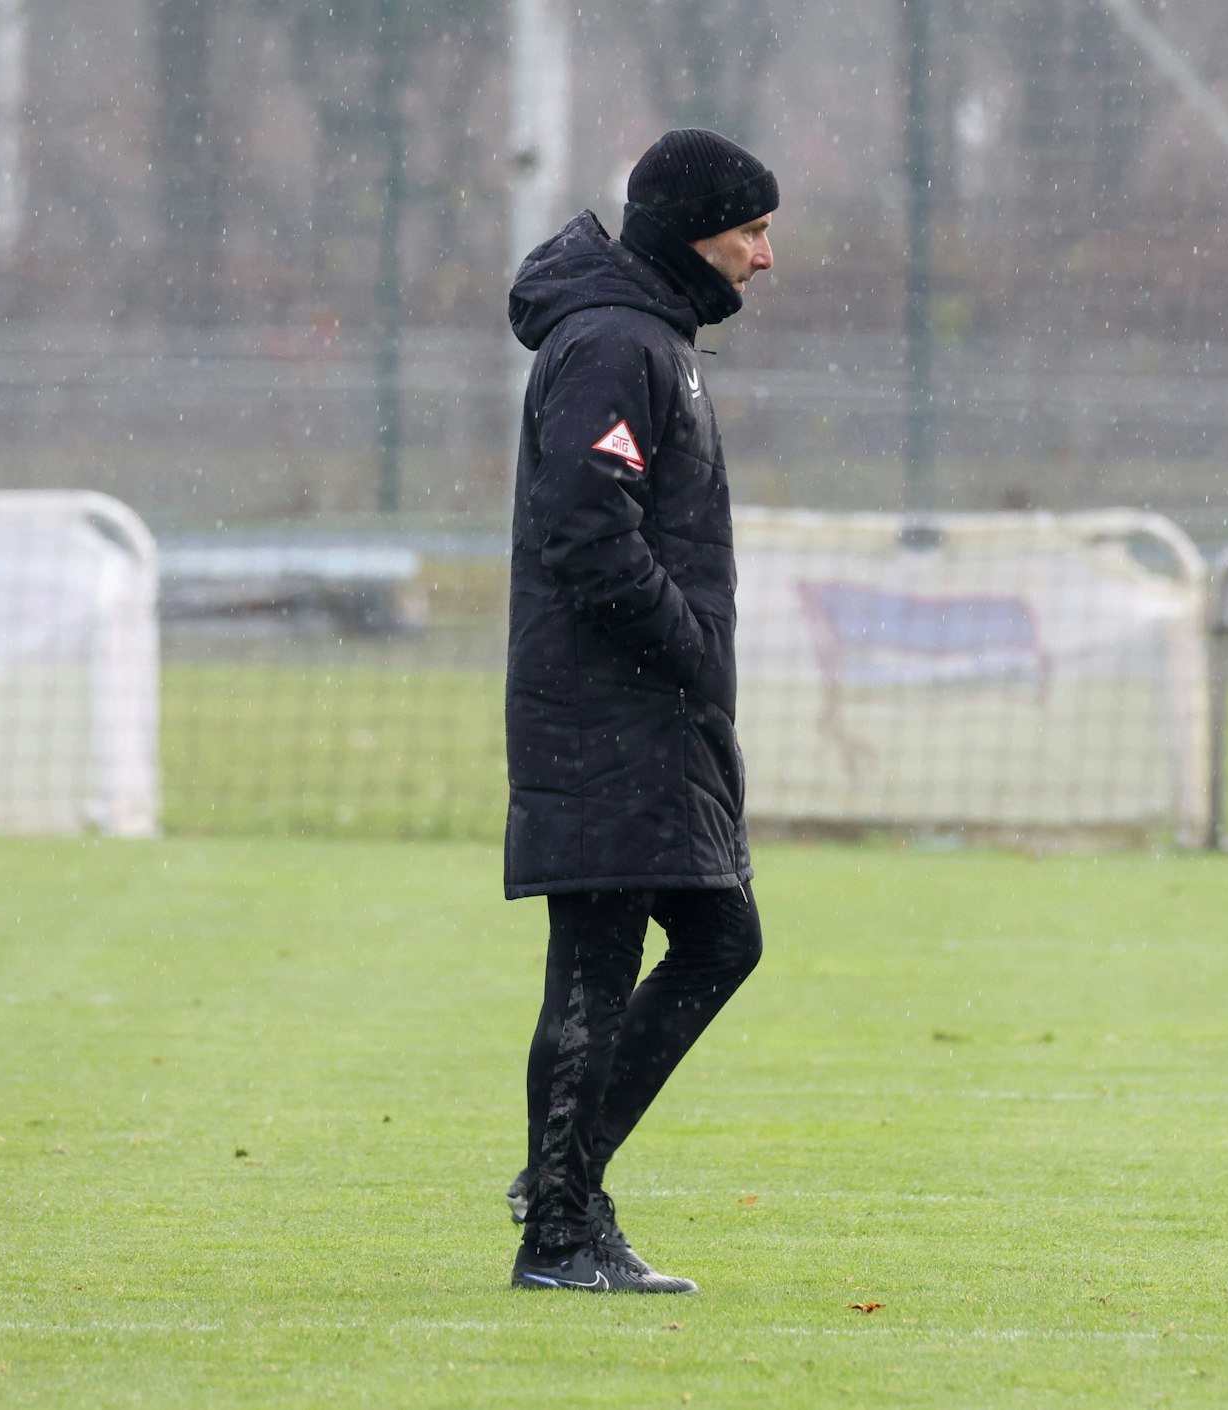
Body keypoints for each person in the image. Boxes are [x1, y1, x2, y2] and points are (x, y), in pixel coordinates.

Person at [500, 129, 778, 1293]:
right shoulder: (616, 342)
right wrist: (693, 649)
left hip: (649, 712)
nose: (765, 258)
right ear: (686, 233)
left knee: (718, 937)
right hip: (607, 711)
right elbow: (588, 537)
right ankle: (559, 1232)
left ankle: (561, 1189)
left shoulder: (655, 337)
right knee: (597, 961)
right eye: (749, 231)